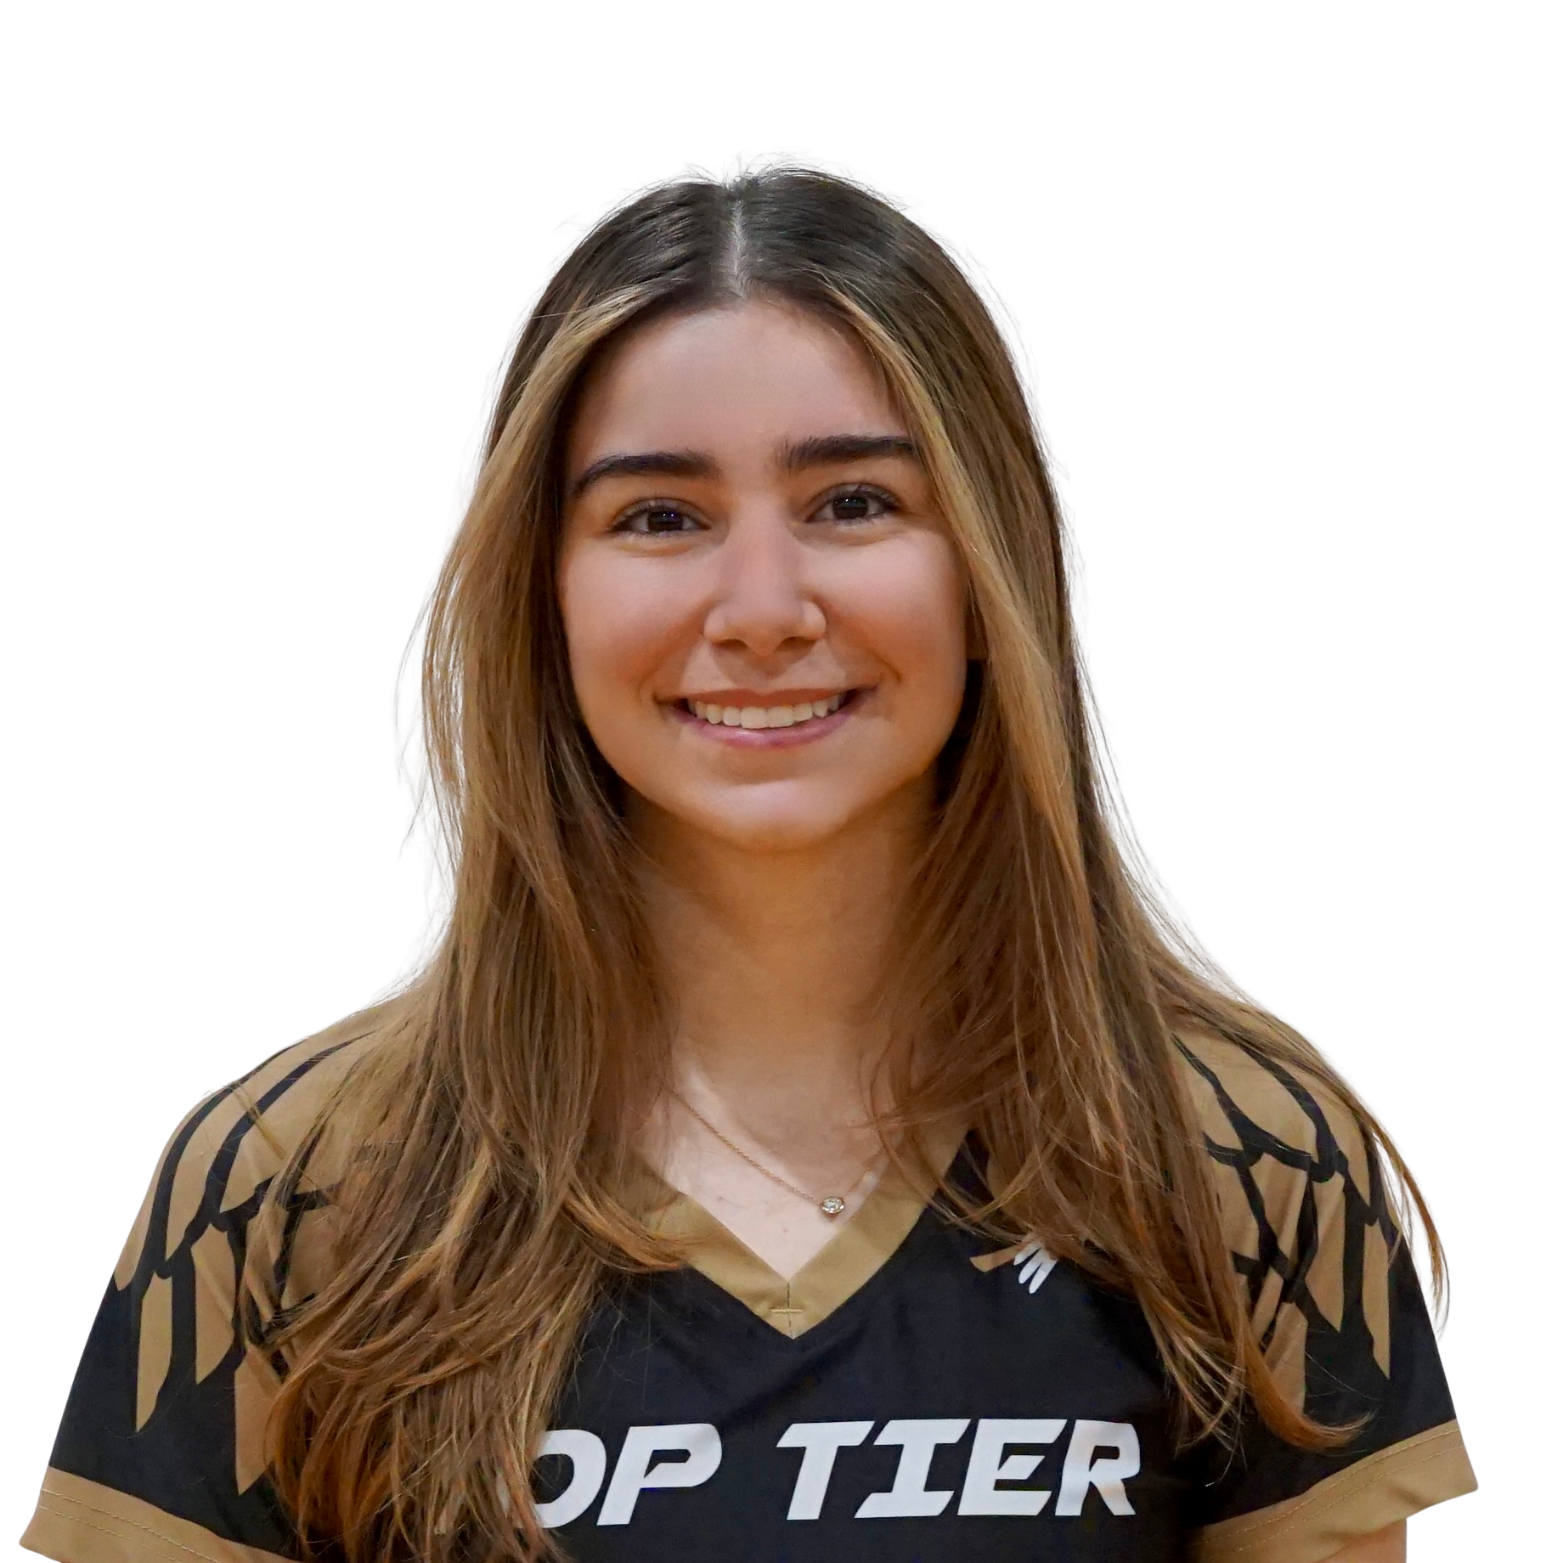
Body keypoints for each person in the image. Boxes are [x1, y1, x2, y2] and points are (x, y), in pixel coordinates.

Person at [21, 168, 1475, 1563]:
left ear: (988, 569)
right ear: (546, 594)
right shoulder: (295, 1188)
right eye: (659, 516)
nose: (764, 608)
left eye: (852, 502)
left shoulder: (1238, 1164)